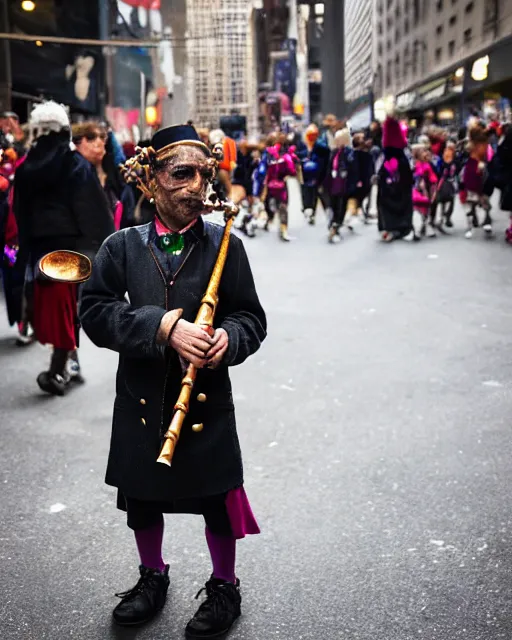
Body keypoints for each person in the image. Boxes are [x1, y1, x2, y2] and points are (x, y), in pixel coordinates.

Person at [79, 124, 267, 638]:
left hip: (206, 404)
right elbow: (93, 312)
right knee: (143, 500)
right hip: (140, 399)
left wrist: (231, 338)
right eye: (181, 174)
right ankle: (152, 575)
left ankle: (224, 584)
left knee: (216, 503)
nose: (196, 187)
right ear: (151, 179)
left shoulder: (227, 244)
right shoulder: (121, 247)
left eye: (204, 174)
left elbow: (252, 318)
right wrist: (162, 327)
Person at [14, 101, 114, 395]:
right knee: (70, 311)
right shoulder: (74, 164)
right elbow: (91, 209)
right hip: (72, 248)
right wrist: (108, 246)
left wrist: (27, 247)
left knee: (54, 311)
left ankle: (67, 365)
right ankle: (61, 368)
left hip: (39, 250)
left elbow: (20, 211)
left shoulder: (25, 168)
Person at [72, 122, 135, 230]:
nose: (98, 141)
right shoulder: (73, 175)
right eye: (91, 137)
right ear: (76, 144)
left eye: (102, 137)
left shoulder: (115, 177)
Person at [377, 115, 415, 242]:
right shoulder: (402, 151)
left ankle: (389, 226)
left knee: (386, 198)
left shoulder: (385, 151)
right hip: (402, 170)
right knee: (403, 197)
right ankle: (404, 226)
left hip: (388, 170)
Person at [323, 128, 354, 243]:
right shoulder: (334, 152)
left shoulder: (348, 153)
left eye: (339, 139)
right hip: (334, 181)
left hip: (343, 182)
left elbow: (352, 168)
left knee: (341, 203)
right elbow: (329, 167)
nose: (337, 142)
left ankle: (337, 223)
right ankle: (334, 222)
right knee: (333, 202)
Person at [298, 124, 329, 226]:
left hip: (318, 175)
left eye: (314, 135)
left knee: (318, 194)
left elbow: (326, 160)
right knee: (307, 194)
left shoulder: (321, 147)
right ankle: (309, 211)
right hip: (306, 176)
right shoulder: (302, 146)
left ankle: (326, 214)